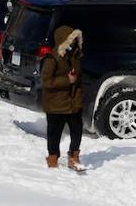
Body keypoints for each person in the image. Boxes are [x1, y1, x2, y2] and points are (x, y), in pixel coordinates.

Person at [41, 26, 86, 170]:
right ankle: (52, 157)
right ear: (63, 41)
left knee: (77, 130)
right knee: (54, 132)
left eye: (75, 40)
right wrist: (68, 81)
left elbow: (79, 77)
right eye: (70, 40)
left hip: (73, 102)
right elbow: (46, 81)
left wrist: (78, 90)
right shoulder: (51, 58)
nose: (73, 43)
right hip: (56, 103)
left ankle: (74, 156)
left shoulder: (75, 56)